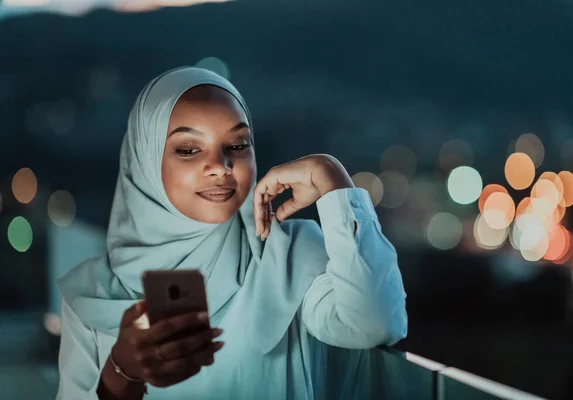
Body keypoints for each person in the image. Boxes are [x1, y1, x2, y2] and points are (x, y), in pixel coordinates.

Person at [56, 66, 408, 400]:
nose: (220, 167)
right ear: (146, 162)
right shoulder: (94, 291)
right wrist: (122, 373)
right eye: (189, 150)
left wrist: (329, 174)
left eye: (237, 145)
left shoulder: (288, 253)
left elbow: (376, 322)